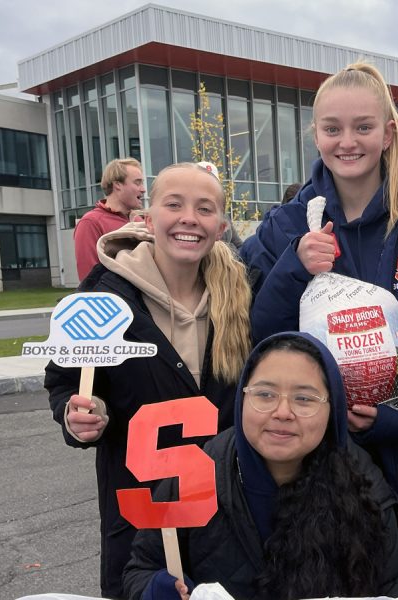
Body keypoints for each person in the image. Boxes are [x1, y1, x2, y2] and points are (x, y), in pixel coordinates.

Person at [240, 62, 398, 600]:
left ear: (388, 133)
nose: (347, 141)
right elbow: (260, 338)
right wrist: (294, 266)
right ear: (315, 135)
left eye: (363, 126)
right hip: (315, 472)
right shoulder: (288, 224)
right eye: (332, 128)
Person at [45, 162, 252, 599]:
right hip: (140, 513)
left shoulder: (244, 296)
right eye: (173, 204)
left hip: (227, 511)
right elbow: (65, 380)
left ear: (220, 225)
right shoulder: (102, 295)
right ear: (148, 216)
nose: (189, 218)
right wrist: (79, 416)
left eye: (205, 208)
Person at [122, 332, 398, 600]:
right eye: (265, 394)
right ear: (242, 398)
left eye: (304, 398)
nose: (282, 412)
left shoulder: (364, 487)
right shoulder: (195, 473)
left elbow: (388, 587)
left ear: (333, 409)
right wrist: (156, 588)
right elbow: (142, 567)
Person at [75, 158, 146, 280]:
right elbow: (89, 278)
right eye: (137, 183)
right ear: (117, 185)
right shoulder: (91, 222)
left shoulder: (139, 221)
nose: (143, 189)